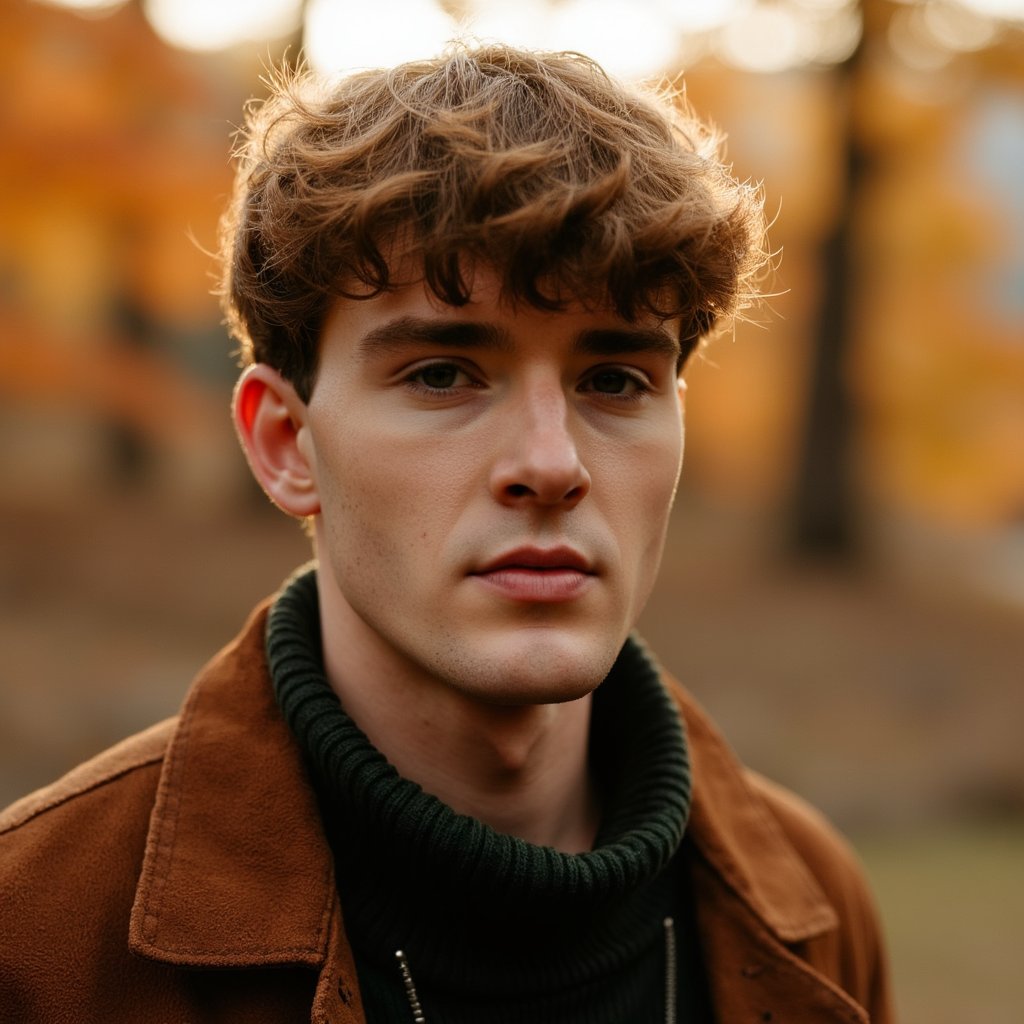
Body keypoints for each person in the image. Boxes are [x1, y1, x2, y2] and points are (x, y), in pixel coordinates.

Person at [0, 43, 892, 1023]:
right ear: (286, 442)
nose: (551, 464)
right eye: (442, 375)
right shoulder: (40, 932)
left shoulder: (809, 905)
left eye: (614, 380)